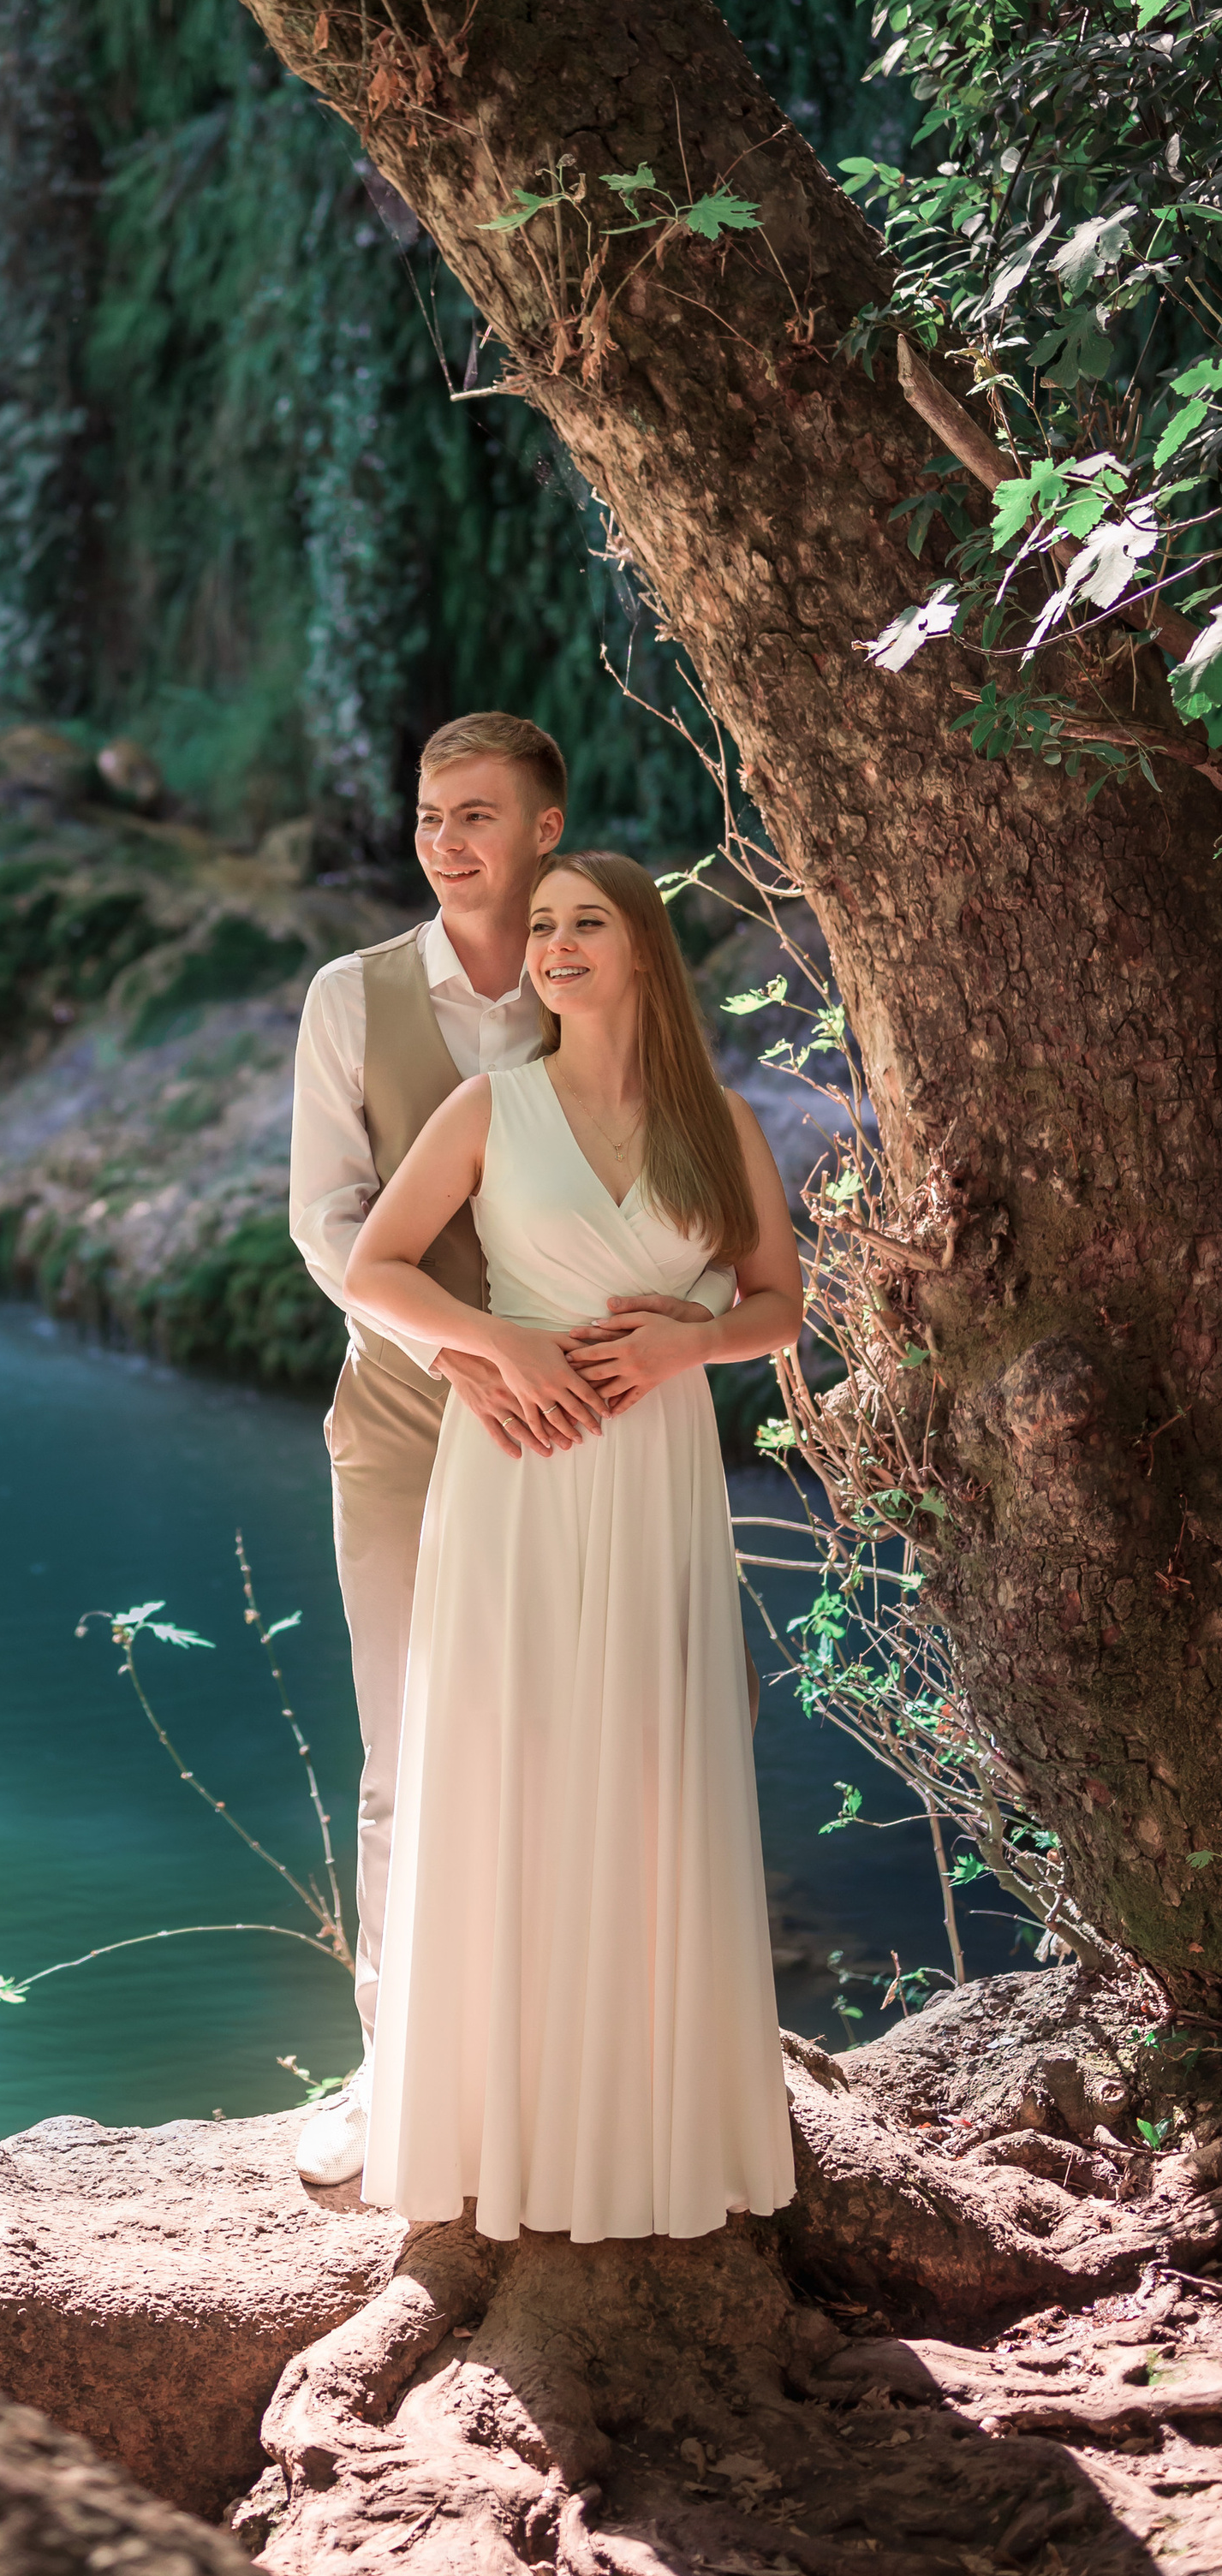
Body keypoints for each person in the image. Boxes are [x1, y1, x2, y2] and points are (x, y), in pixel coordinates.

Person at [339, 850, 801, 2238]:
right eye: (540, 925)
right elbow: (375, 1267)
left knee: (648, 1775)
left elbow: (779, 1303)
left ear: (646, 952)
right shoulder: (490, 1106)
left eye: (584, 921)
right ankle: (497, 2127)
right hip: (516, 1479)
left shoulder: (716, 1124)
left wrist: (692, 1341)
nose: (552, 944)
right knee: (511, 1767)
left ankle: (645, 2127)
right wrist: (499, 1339)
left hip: (657, 1472)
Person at [285, 712, 569, 2186]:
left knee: (559, 1742)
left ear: (545, 831)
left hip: (574, 1425)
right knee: (403, 1751)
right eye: (428, 814)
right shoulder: (352, 995)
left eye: (477, 814)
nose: (447, 840)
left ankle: (553, 2067)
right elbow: (324, 1221)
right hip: (401, 1412)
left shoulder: (595, 983)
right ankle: (396, 2072)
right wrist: (459, 1345)